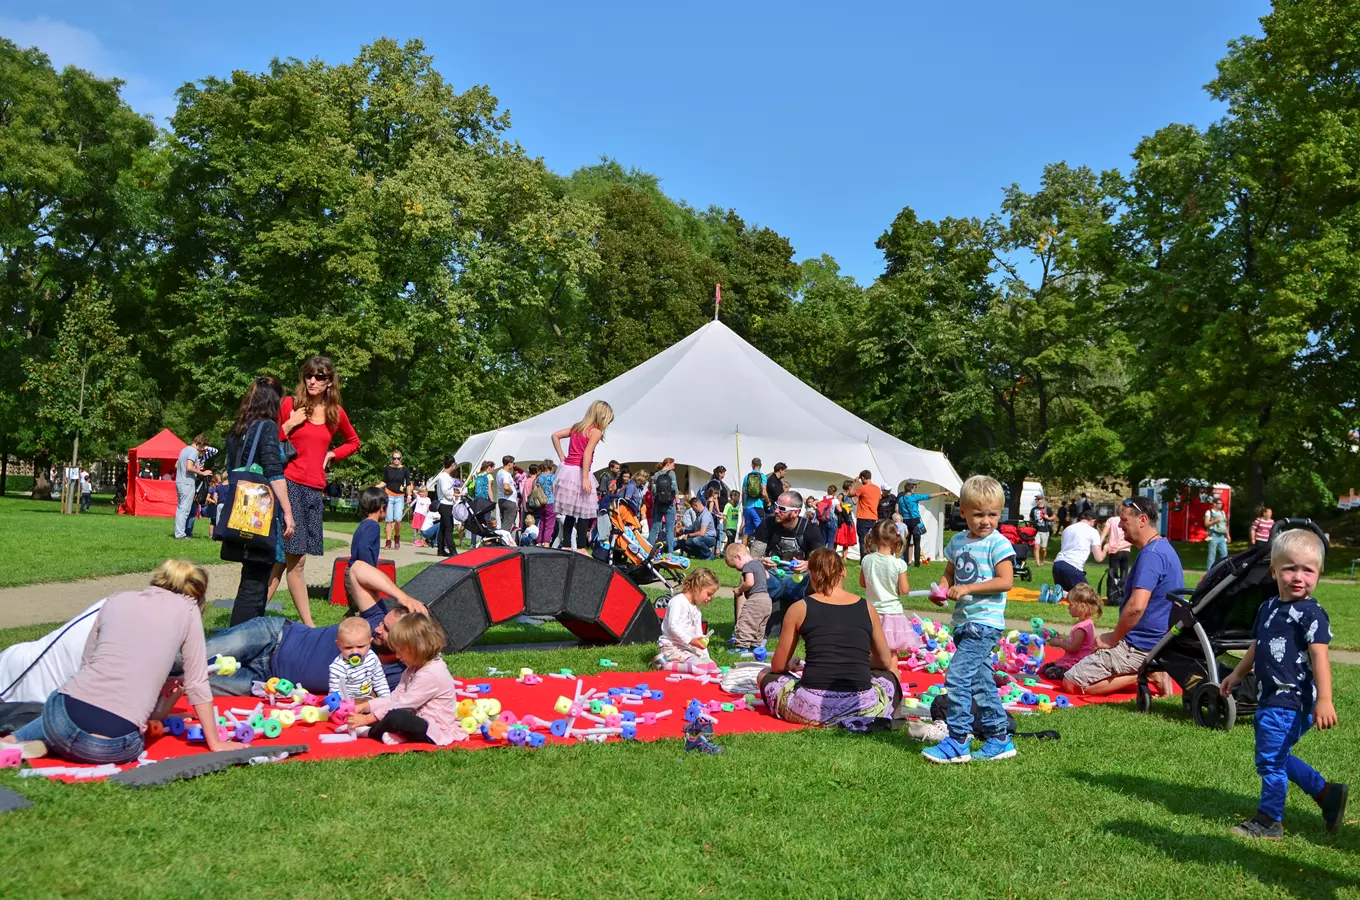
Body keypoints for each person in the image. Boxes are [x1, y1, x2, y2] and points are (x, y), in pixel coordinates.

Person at [3, 561, 238, 762]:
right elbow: (197, 682)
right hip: (107, 746)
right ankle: (61, 746)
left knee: (69, 700)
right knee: (129, 739)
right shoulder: (187, 611)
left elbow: (88, 664)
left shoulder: (116, 600)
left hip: (59, 718)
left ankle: (18, 740)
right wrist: (215, 742)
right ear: (196, 595)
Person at [1219, 528, 1346, 839]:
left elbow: (1320, 659)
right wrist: (1237, 674)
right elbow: (1259, 644)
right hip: (1269, 696)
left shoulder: (1312, 613)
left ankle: (1268, 820)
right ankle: (1328, 794)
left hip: (1293, 700)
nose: (1298, 576)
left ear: (1319, 573)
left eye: (1308, 569)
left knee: (1270, 760)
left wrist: (1324, 699)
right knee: (1277, 754)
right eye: (1290, 568)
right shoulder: (1269, 607)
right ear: (1274, 570)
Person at [203, 562, 428, 696]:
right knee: (190, 658)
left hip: (268, 681)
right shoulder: (373, 621)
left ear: (402, 647)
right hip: (275, 637)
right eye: (382, 624)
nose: (378, 629)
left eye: (387, 630)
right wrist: (402, 596)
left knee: (192, 684)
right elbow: (358, 569)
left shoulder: (395, 675)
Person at [922, 475, 1017, 764]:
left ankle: (958, 740)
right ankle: (999, 738)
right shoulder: (958, 541)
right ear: (962, 511)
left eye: (993, 514)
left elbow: (1005, 581)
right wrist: (941, 588)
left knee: (958, 676)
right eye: (978, 514)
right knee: (981, 681)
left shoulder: (998, 544)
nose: (986, 521)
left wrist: (968, 589)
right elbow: (949, 574)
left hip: (984, 624)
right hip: (964, 622)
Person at [759, 548, 902, 729]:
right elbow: (884, 661)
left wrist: (790, 665)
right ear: (844, 571)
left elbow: (778, 666)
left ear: (810, 574)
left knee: (764, 675)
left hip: (811, 708)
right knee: (892, 675)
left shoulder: (799, 608)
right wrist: (858, 662)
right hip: (862, 706)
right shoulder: (867, 608)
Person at [1062, 496, 1181, 698]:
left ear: (1142, 520)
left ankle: (1148, 673)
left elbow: (1137, 607)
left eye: (1124, 520)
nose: (1120, 525)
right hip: (1155, 642)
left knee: (1071, 683)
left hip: (1140, 647)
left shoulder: (1151, 554)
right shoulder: (1163, 548)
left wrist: (1113, 638)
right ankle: (1150, 670)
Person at [278, 356, 361, 627]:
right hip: (288, 485)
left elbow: (354, 441)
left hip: (314, 490)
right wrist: (288, 425)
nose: (313, 381)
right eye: (308, 375)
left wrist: (333, 454)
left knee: (287, 561)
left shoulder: (336, 412)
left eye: (320, 376)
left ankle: (248, 618)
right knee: (294, 560)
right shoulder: (290, 405)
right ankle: (309, 624)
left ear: (329, 382)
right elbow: (270, 441)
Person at [222, 377, 297, 626]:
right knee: (256, 581)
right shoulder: (266, 427)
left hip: (238, 510)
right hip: (259, 511)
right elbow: (274, 472)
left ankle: (245, 633)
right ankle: (242, 637)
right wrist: (288, 512)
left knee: (250, 576)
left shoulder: (237, 429)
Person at [347, 614, 459, 746]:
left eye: (401, 651)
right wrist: (365, 707)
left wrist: (367, 718)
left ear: (417, 649)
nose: (398, 656)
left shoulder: (431, 674)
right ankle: (397, 735)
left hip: (434, 729)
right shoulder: (412, 668)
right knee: (392, 714)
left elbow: (404, 704)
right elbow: (394, 698)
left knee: (397, 717)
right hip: (415, 716)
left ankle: (371, 732)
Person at [550, 401, 613, 552]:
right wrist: (585, 477)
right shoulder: (595, 432)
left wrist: (562, 458)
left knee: (572, 510)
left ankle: (566, 545)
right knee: (585, 510)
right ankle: (580, 547)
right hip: (580, 471)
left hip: (568, 470)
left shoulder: (577, 428)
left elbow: (555, 435)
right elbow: (587, 453)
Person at [859, 520, 916, 654]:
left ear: (874, 538)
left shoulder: (866, 560)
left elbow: (862, 583)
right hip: (892, 613)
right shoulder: (898, 563)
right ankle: (892, 674)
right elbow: (904, 590)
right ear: (895, 538)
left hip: (871, 612)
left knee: (872, 651)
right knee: (891, 653)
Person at [653, 568, 721, 669]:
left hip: (687, 647)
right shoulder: (678, 601)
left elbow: (698, 634)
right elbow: (673, 626)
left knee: (712, 666)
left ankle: (689, 664)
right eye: (708, 594)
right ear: (698, 586)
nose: (709, 598)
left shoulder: (696, 610)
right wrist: (690, 640)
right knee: (700, 667)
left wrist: (704, 654)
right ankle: (663, 665)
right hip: (672, 646)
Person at [1039, 583, 1102, 681]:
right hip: (1073, 659)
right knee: (1045, 668)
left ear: (1082, 606)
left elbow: (1074, 648)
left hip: (1076, 662)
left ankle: (1070, 675)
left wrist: (1060, 643)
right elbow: (1075, 644)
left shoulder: (1082, 628)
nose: (1068, 608)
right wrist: (1062, 639)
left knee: (1050, 672)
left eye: (1071, 605)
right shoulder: (1086, 623)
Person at [328, 617, 391, 700]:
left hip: (368, 696)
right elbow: (335, 692)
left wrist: (386, 699)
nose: (355, 652)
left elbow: (379, 680)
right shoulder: (338, 667)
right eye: (348, 647)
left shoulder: (371, 658)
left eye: (360, 646)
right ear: (339, 645)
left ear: (369, 643)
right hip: (348, 701)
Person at [1053, 508, 1107, 592]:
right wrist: (1106, 548)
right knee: (1088, 596)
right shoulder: (1093, 531)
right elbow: (1098, 558)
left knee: (1070, 592)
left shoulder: (1067, 529)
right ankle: (1060, 593)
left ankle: (1054, 593)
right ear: (1093, 521)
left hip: (1058, 564)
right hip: (1072, 566)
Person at [896, 480, 948, 567]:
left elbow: (900, 511)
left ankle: (905, 562)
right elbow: (928, 496)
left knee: (906, 543)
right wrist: (942, 493)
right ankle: (917, 563)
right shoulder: (914, 497)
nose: (915, 489)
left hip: (905, 521)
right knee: (917, 543)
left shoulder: (901, 499)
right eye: (915, 487)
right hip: (915, 521)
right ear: (911, 488)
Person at [174, 434, 212, 539]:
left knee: (180, 508)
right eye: (203, 447)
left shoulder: (184, 449)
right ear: (200, 444)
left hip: (179, 481)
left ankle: (178, 532)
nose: (204, 450)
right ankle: (180, 534)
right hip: (187, 483)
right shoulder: (193, 451)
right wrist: (201, 473)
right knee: (185, 510)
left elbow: (176, 465)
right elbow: (189, 467)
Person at [350, 486, 385, 575]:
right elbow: (363, 547)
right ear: (382, 508)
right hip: (361, 574)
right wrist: (371, 571)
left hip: (353, 571)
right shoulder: (373, 525)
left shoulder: (364, 524)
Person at [382, 450, 412, 550]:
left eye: (398, 458)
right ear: (392, 459)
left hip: (399, 496)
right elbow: (384, 481)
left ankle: (397, 536)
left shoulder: (405, 470)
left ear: (401, 459)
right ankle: (388, 541)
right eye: (394, 458)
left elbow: (408, 483)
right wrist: (375, 487)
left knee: (398, 519)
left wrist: (409, 495)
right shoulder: (387, 468)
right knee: (389, 520)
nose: (396, 460)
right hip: (389, 495)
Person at [648, 458, 679, 553]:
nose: (674, 467)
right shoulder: (671, 474)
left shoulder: (655, 475)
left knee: (654, 529)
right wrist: (677, 503)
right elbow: (675, 489)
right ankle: (670, 553)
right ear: (668, 464)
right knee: (669, 530)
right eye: (673, 464)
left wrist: (655, 502)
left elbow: (653, 492)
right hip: (669, 505)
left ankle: (648, 550)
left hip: (658, 504)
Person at [848, 470, 882, 553]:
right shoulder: (877, 489)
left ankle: (863, 560)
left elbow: (850, 493)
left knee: (863, 540)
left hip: (863, 517)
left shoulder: (863, 488)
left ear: (862, 478)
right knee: (872, 539)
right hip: (873, 517)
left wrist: (855, 482)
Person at [433, 456, 459, 557]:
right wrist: (456, 494)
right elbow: (446, 491)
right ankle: (452, 550)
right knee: (449, 527)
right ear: (452, 465)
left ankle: (441, 549)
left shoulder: (443, 476)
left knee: (443, 527)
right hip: (445, 504)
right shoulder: (445, 477)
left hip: (445, 503)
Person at [1101, 512, 1132, 592]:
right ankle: (1123, 593)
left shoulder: (1111, 520)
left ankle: (1112, 594)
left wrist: (1099, 544)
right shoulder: (1129, 520)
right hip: (1126, 549)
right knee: (1124, 573)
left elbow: (1104, 533)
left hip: (1114, 550)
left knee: (1113, 573)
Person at [740, 458, 768, 545]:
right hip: (758, 506)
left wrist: (744, 506)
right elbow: (763, 492)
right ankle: (762, 552)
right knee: (761, 529)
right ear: (761, 465)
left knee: (747, 531)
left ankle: (743, 551)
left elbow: (743, 493)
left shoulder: (746, 477)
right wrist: (768, 501)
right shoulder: (762, 476)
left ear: (752, 465)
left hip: (747, 507)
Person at [534, 461, 558, 548]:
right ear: (551, 468)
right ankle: (546, 543)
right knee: (549, 524)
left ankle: (539, 542)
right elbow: (554, 489)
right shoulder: (552, 477)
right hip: (550, 501)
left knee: (542, 523)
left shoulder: (538, 478)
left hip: (541, 502)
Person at [1029, 495, 1055, 567]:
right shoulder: (1033, 509)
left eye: (1038, 499)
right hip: (1036, 531)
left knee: (1043, 549)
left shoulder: (1047, 509)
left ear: (1042, 500)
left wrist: (1048, 518)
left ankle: (1042, 561)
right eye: (1036, 499)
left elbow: (1054, 517)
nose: (1036, 500)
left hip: (1045, 530)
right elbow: (1031, 520)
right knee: (1036, 547)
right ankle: (1038, 563)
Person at [833, 481, 857, 560]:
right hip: (842, 519)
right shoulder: (841, 495)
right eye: (851, 486)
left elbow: (855, 502)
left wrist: (858, 495)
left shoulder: (851, 496)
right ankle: (833, 554)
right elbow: (837, 507)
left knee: (847, 539)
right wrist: (846, 508)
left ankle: (845, 557)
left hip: (849, 519)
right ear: (848, 487)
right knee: (837, 538)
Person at [495, 455, 518, 531]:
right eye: (513, 463)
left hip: (501, 499)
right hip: (509, 500)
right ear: (509, 464)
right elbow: (506, 486)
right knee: (507, 525)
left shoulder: (499, 472)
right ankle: (503, 541)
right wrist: (510, 491)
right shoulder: (506, 474)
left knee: (504, 522)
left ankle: (502, 540)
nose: (513, 465)